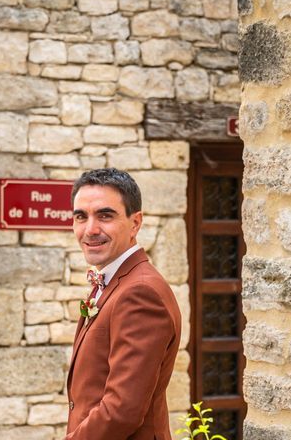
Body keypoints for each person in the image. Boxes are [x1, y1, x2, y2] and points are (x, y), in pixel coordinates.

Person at [65, 168, 182, 440]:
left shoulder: (140, 292)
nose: (90, 229)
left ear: (135, 223)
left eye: (105, 216)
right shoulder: (115, 280)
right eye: (81, 216)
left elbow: (122, 409)